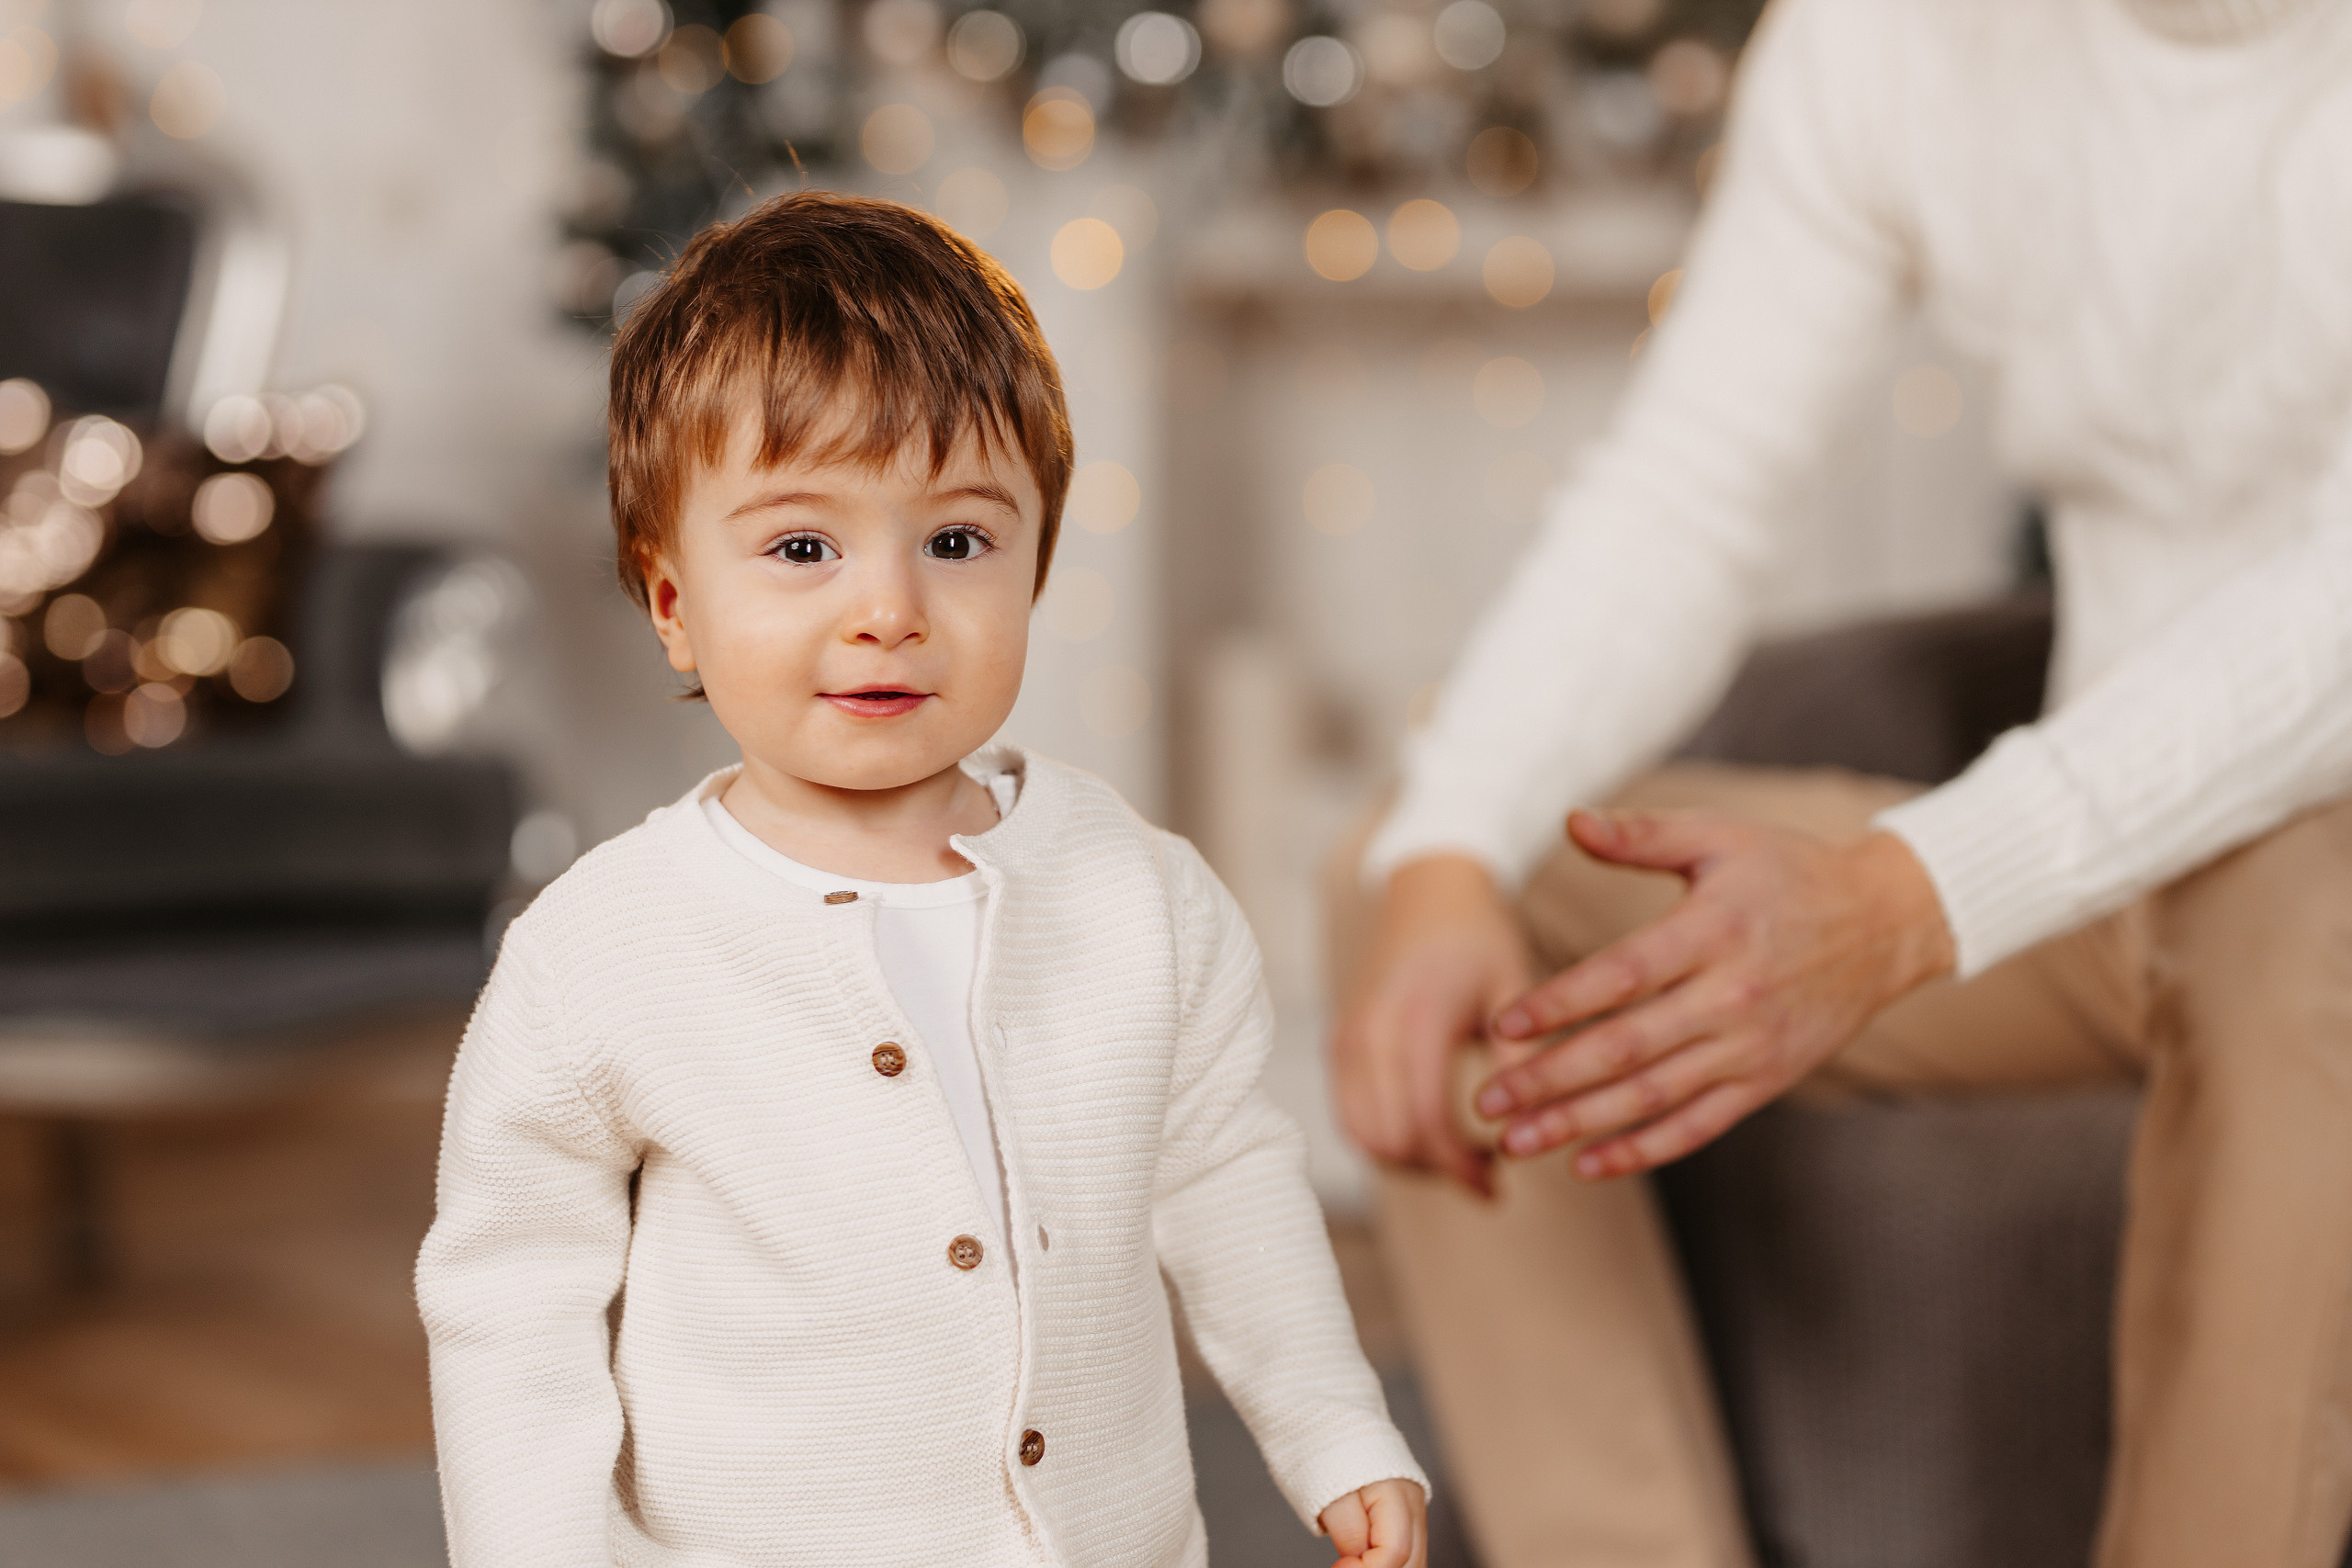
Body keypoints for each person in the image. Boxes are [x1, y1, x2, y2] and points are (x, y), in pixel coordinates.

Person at [1329, 0, 2352, 1563]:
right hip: (2103, 883)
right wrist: (1456, 835)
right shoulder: (1893, 35)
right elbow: (1691, 487)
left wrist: (1910, 893)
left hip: (2308, 883)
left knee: (2297, 908)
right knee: (1437, 869)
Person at [416, 192, 1428, 1568]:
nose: (887, 608)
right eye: (801, 548)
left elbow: (1232, 1183)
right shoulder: (603, 952)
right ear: (672, 607)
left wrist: (1335, 1428)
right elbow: (512, 1304)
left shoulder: (1144, 897)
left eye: (957, 542)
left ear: (1034, 568)